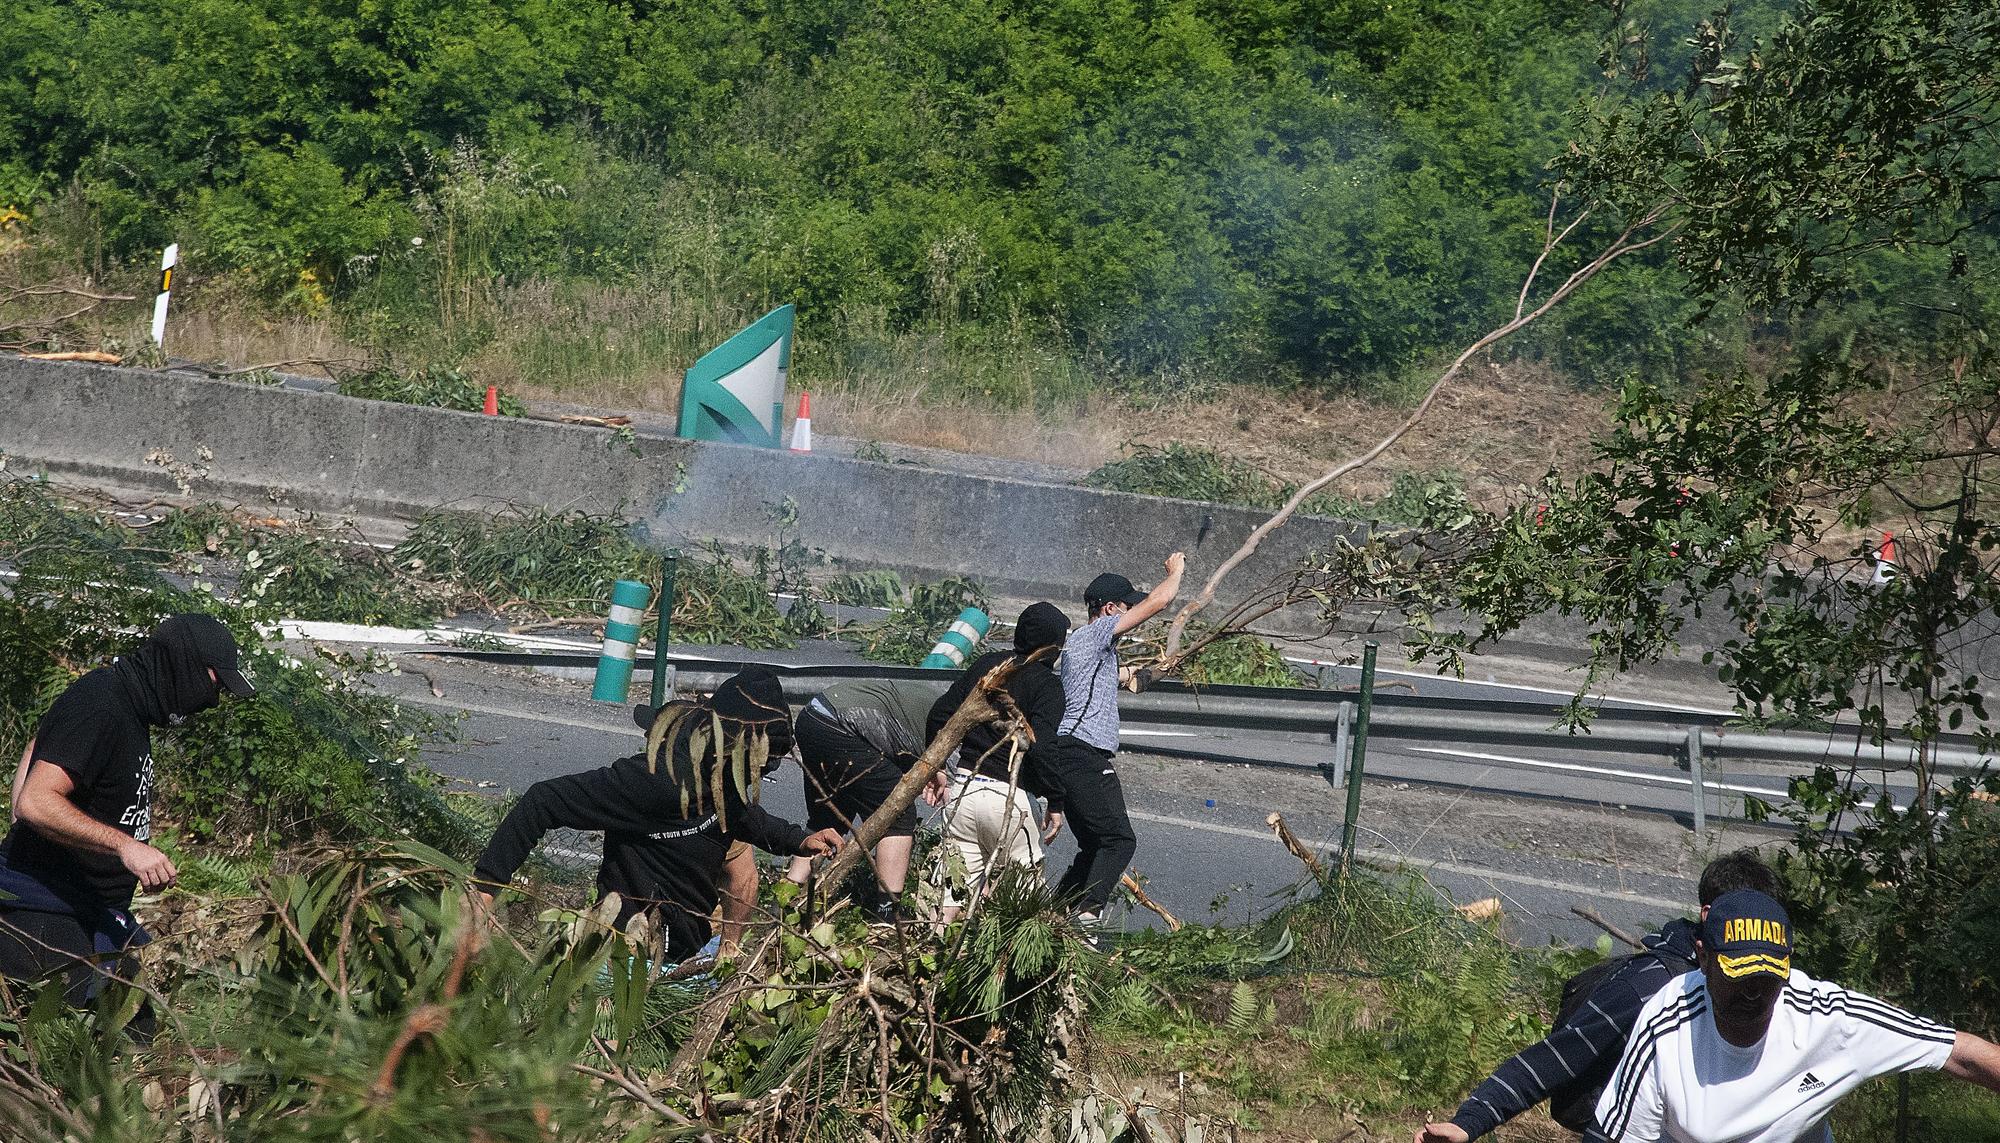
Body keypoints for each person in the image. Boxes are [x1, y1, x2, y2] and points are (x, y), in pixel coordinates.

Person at [472, 667, 843, 962]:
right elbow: (543, 801)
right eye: (764, 764)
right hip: (627, 954)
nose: (763, 773)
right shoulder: (654, 782)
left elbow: (743, 816)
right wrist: (486, 887)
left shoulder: (720, 777)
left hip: (686, 952)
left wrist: (798, 839)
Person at [0, 613, 256, 1035]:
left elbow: (42, 742)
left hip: (90, 914)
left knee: (137, 1027)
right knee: (94, 1048)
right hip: (42, 912)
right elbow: (37, 799)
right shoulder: (103, 703)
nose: (212, 702)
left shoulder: (124, 707)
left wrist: (26, 808)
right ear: (183, 667)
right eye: (214, 685)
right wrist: (125, 847)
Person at [1416, 849, 1780, 1142]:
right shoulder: (1648, 989)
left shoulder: (1777, 992)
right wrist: (1470, 1121)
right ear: (1708, 914)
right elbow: (1555, 1057)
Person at [1589, 889, 2000, 1143]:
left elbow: (1960, 1052)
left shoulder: (1829, 1019)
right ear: (1702, 959)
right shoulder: (1667, 1023)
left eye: (1768, 978)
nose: (1753, 992)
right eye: (1739, 976)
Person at [1049, 553, 1184, 929]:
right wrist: (1176, 572)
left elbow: (1118, 677)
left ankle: (1052, 917)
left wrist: (1153, 671)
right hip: (1083, 754)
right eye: (1127, 606)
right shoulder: (1093, 635)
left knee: (1093, 847)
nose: (1131, 612)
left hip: (1071, 755)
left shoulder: (1088, 650)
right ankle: (1087, 918)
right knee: (1119, 841)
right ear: (1109, 609)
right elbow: (1159, 601)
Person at [924, 602, 1070, 922]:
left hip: (962, 792)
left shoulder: (987, 665)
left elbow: (939, 714)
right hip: (1007, 799)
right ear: (1052, 647)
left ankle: (931, 960)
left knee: (949, 897)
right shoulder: (1047, 685)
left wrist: (935, 769)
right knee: (1025, 909)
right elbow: (1043, 747)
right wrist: (1056, 801)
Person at [782, 678, 938, 922]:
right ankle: (888, 915)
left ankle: (784, 897)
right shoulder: (962, 730)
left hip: (813, 716)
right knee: (897, 815)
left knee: (829, 817)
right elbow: (956, 792)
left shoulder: (942, 705)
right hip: (842, 724)